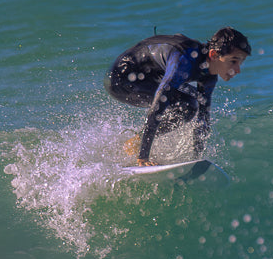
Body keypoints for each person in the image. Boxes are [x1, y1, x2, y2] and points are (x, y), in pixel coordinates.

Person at [104, 27, 251, 166]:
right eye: (233, 61)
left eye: (241, 62)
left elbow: (203, 121)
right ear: (214, 55)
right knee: (186, 104)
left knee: (194, 104)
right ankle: (139, 150)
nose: (237, 70)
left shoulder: (209, 76)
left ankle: (135, 142)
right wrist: (143, 157)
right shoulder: (185, 59)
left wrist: (196, 161)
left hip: (150, 76)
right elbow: (158, 105)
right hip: (120, 78)